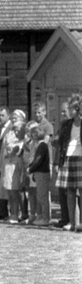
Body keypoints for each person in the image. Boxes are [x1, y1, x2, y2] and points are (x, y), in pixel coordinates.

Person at [55, 93, 82, 231]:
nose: (69, 111)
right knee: (70, 191)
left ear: (77, 109)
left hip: (80, 158)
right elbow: (59, 142)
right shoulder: (66, 124)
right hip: (67, 158)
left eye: (72, 108)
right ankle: (72, 222)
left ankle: (81, 223)